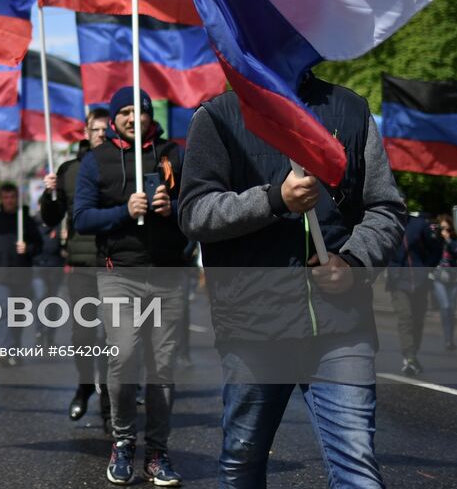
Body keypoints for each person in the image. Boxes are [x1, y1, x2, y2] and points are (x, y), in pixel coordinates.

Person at [179, 72, 406, 488]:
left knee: (357, 466)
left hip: (341, 324)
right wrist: (274, 199)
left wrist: (354, 262)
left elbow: (385, 208)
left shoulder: (350, 110)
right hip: (253, 326)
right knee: (242, 459)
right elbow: (195, 213)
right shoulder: (217, 115)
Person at [74, 87, 187, 487]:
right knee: (122, 357)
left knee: (162, 367)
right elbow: (82, 218)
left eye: (138, 111)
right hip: (119, 275)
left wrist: (174, 210)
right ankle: (122, 442)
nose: (130, 118)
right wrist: (125, 211)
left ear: (149, 115)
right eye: (122, 111)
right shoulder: (97, 160)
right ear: (113, 118)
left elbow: (198, 210)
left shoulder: (173, 154)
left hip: (168, 276)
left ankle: (157, 451)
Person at [40, 106, 112, 428]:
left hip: (115, 263)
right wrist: (50, 195)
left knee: (114, 337)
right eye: (96, 130)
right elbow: (50, 219)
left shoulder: (124, 164)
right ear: (86, 132)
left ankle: (110, 400)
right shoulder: (70, 169)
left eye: (106, 130)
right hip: (82, 264)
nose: (101, 135)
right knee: (83, 334)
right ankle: (84, 386)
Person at [0, 183, 43, 361]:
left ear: (17, 198)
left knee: (18, 315)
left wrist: (27, 248)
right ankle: (5, 349)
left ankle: (15, 349)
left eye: (12, 197)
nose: (9, 201)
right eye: (6, 197)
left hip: (22, 275)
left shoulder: (26, 220)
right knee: (4, 310)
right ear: (1, 199)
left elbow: (39, 245)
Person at [386, 210, 444, 376]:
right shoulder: (387, 225)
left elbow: (436, 247)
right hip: (397, 282)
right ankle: (409, 356)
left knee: (418, 320)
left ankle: (413, 354)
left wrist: (427, 268)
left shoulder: (420, 225)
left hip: (420, 281)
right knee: (405, 318)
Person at [432, 214, 457, 351]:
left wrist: (449, 240)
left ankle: (449, 339)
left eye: (447, 229)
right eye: (442, 228)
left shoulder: (453, 241)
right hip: (438, 278)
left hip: (453, 279)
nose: (444, 231)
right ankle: (447, 337)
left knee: (451, 310)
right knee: (445, 307)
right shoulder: (435, 240)